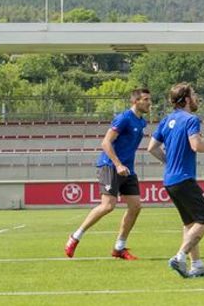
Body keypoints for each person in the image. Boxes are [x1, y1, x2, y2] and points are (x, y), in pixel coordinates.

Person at [147, 83, 204, 278]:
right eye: (194, 94)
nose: (197, 97)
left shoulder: (166, 120)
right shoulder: (191, 119)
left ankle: (196, 265)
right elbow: (196, 145)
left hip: (170, 180)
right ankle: (180, 257)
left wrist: (169, 162)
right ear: (187, 99)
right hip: (183, 178)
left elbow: (152, 148)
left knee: (189, 223)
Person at [64, 88, 151, 260]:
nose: (150, 103)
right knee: (108, 206)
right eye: (146, 99)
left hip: (128, 170)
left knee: (136, 206)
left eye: (150, 100)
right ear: (136, 101)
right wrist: (118, 164)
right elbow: (105, 142)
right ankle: (75, 236)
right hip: (110, 166)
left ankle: (119, 248)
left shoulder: (142, 122)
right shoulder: (124, 118)